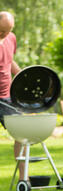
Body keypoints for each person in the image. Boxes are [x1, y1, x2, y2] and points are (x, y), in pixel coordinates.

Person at [0, 12, 23, 179]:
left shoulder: (11, 38)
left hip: (7, 97)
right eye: (1, 31)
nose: (4, 35)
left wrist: (21, 74)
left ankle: (24, 177)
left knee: (21, 133)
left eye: (8, 31)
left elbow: (9, 61)